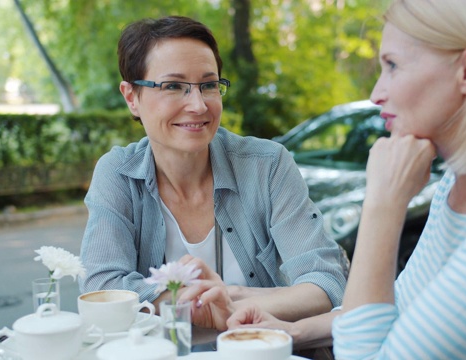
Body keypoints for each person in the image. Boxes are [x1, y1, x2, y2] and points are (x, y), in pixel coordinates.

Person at [182, 0, 466, 358]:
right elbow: (395, 313)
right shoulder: (457, 187)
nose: (377, 94)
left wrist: (383, 205)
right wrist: (291, 331)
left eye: (392, 65)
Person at [78, 15, 348, 326]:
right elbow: (101, 289)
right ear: (131, 97)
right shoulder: (118, 174)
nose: (198, 105)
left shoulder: (268, 165)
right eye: (174, 86)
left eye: (208, 85)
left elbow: (324, 283)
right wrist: (206, 305)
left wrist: (230, 298)